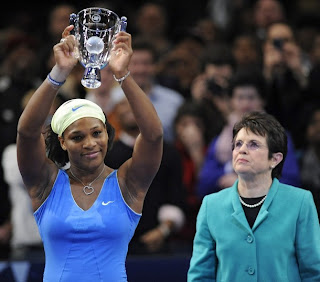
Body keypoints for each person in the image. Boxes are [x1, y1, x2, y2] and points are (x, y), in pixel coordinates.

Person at [16, 25, 163, 282]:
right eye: (77, 137)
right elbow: (27, 133)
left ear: (108, 134)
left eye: (97, 133)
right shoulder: (45, 183)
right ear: (62, 142)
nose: (90, 143)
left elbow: (153, 136)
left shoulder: (128, 183)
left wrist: (123, 75)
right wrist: (59, 73)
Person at [188, 111, 320, 281]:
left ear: (275, 159)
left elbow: (314, 272)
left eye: (253, 144)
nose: (242, 150)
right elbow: (200, 275)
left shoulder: (300, 202)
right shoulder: (211, 205)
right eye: (238, 144)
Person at [197, 68, 301, 197]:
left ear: (263, 101)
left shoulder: (279, 137)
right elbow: (203, 184)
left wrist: (244, 183)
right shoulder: (220, 140)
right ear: (231, 102)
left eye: (251, 97)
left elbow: (290, 181)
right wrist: (226, 175)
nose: (246, 104)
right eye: (240, 98)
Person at [105, 94, 185, 255]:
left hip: (159, 244)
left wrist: (163, 231)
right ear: (115, 112)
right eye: (122, 104)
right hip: (114, 245)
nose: (129, 108)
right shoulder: (105, 155)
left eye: (133, 103)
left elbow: (177, 196)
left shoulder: (168, 152)